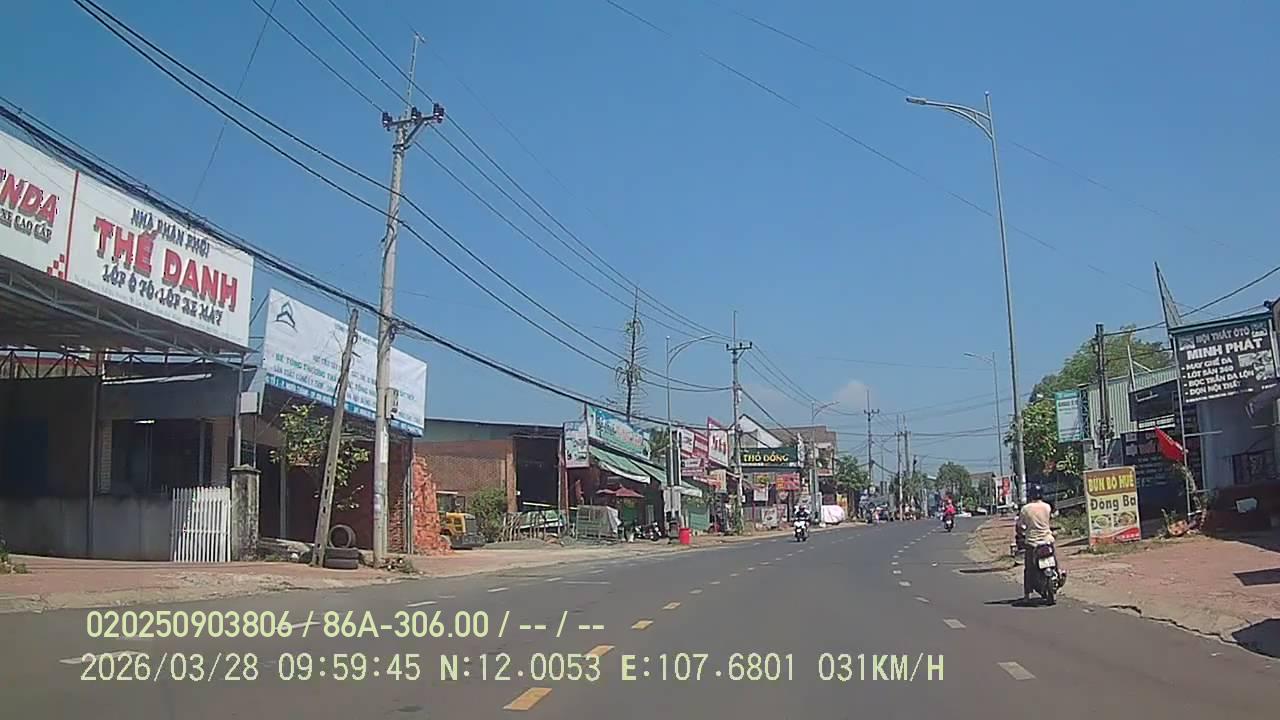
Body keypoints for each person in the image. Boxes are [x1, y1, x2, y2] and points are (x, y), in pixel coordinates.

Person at [1017, 485, 1054, 601]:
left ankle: (1027, 595)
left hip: (1032, 542)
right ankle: (1058, 574)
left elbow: (1020, 526)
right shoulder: (1047, 507)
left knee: (1029, 569)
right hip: (1047, 540)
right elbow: (1049, 520)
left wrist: (1021, 534)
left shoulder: (1025, 509)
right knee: (1054, 562)